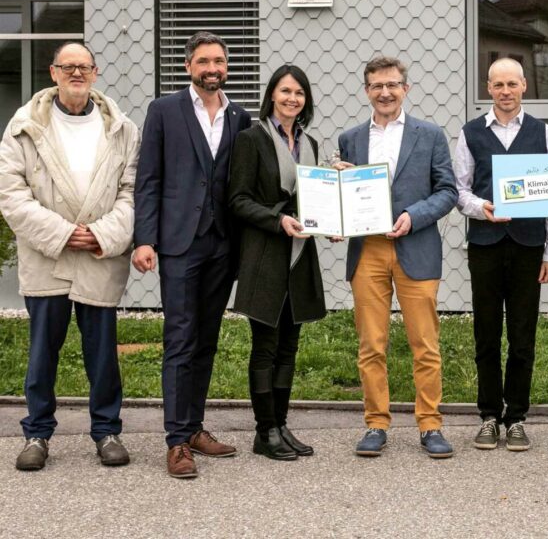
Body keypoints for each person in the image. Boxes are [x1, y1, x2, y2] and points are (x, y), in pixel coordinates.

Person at [0, 43, 139, 471]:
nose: (76, 73)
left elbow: (133, 192)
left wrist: (99, 234)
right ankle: (37, 434)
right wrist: (63, 234)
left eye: (84, 67)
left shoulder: (122, 129)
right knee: (43, 351)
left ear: (95, 73)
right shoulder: (23, 127)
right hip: (48, 256)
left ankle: (107, 431)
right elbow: (11, 194)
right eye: (68, 67)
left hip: (99, 254)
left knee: (102, 354)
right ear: (53, 72)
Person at [132, 31, 252, 479]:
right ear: (188, 66)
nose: (212, 68)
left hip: (223, 244)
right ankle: (177, 441)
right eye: (203, 61)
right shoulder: (164, 110)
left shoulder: (240, 116)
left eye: (219, 60)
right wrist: (144, 239)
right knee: (179, 339)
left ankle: (196, 427)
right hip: (180, 242)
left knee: (206, 338)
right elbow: (148, 179)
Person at [337, 55, 458, 459]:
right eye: (376, 86)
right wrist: (339, 216)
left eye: (392, 85)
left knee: (424, 343)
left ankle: (430, 424)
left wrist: (413, 216)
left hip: (416, 246)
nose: (385, 92)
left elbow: (447, 191)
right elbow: (346, 194)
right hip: (368, 249)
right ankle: (375, 423)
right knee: (371, 343)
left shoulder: (430, 134)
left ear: (406, 88)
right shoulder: (350, 138)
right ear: (367, 91)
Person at [453, 58, 548, 452]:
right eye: (498, 85)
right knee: (485, 333)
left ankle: (516, 416)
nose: (505, 91)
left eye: (512, 84)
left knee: (522, 336)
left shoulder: (543, 133)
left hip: (527, 247)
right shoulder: (470, 133)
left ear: (524, 87)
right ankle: (487, 415)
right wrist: (481, 207)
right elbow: (459, 190)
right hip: (485, 246)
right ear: (489, 88)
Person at [228, 66, 327, 460]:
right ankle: (263, 430)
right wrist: (278, 219)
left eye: (299, 92)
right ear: (272, 95)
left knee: (290, 346)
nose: (292, 98)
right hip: (266, 253)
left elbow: (314, 200)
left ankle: (281, 425)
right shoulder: (251, 140)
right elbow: (238, 199)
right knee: (265, 346)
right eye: (285, 91)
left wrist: (332, 220)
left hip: (300, 256)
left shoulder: (311, 143)